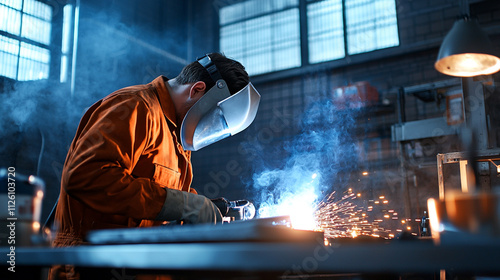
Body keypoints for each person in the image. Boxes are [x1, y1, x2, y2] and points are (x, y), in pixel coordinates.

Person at [48, 53, 260, 279]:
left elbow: (165, 201)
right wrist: (185, 204)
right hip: (92, 266)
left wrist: (206, 209)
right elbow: (85, 176)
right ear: (197, 89)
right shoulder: (135, 107)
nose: (208, 129)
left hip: (140, 266)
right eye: (214, 120)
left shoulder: (176, 135)